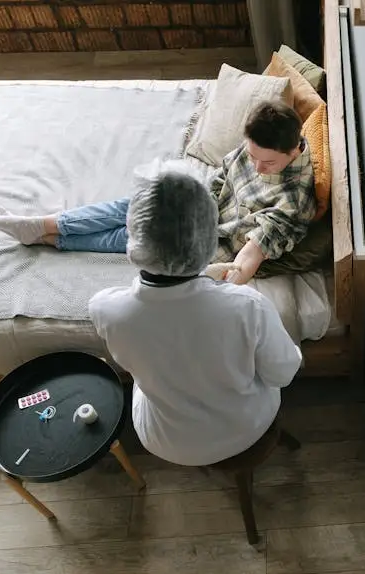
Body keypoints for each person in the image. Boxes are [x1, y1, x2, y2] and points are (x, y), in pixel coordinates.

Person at [88, 159, 303, 467]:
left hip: (165, 441)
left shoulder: (106, 308)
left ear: (134, 237)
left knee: (143, 369)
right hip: (245, 429)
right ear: (206, 239)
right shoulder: (247, 306)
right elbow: (282, 373)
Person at [0, 101, 315, 285]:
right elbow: (223, 174)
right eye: (252, 156)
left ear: (292, 151)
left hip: (206, 239)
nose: (255, 166)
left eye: (267, 163)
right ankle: (42, 224)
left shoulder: (292, 202)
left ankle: (46, 238)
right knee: (141, 202)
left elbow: (249, 259)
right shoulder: (261, 144)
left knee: (138, 233)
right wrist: (196, 199)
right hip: (202, 205)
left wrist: (227, 277)